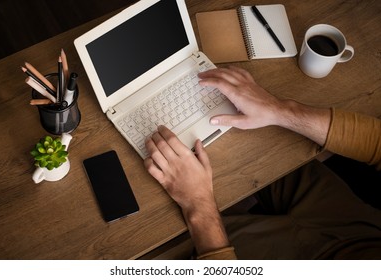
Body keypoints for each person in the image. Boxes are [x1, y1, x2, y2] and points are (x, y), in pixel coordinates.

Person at [144, 66, 381, 259]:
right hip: (356, 232)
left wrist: (198, 204)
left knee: (166, 236)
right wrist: (279, 110)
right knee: (261, 141)